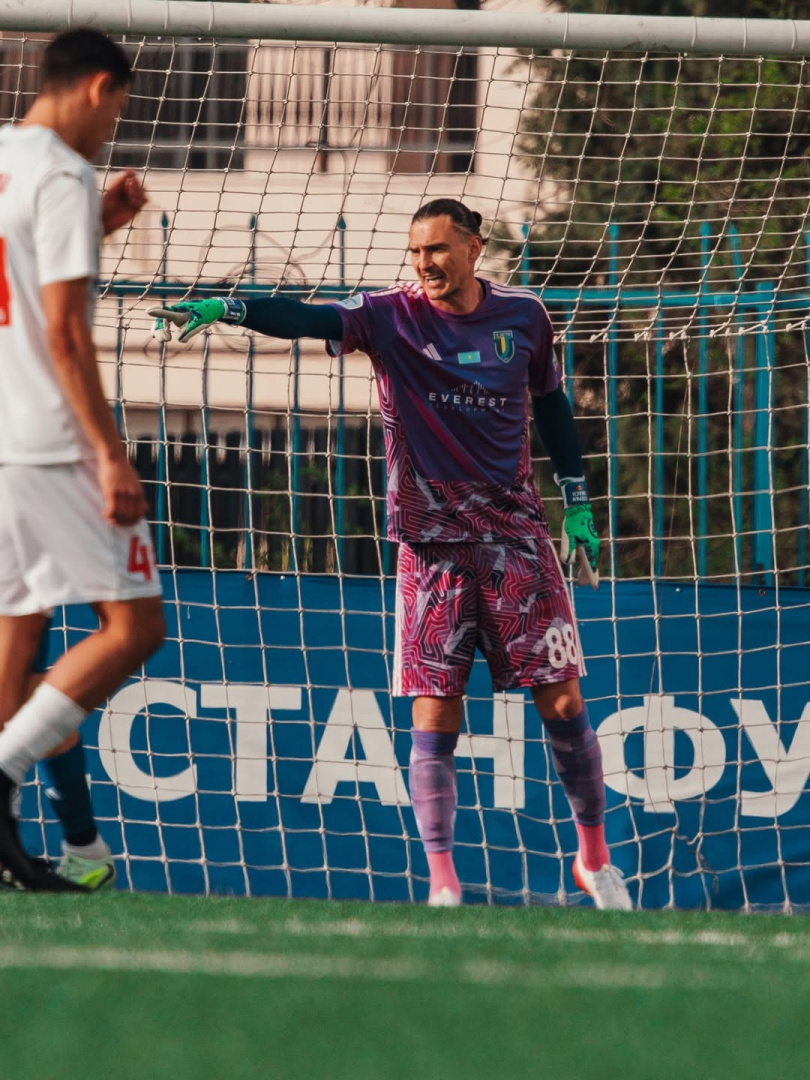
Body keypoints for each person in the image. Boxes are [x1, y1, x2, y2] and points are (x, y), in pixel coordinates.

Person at [150, 198, 632, 911]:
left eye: (437, 249)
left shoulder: (525, 316)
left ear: (473, 248)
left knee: (563, 701)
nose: (424, 264)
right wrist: (229, 308)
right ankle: (444, 883)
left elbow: (554, 404)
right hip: (429, 547)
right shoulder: (388, 315)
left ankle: (593, 859)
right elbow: (308, 318)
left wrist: (578, 499)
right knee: (435, 717)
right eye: (416, 252)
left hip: (516, 540)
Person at [0, 29, 165, 891]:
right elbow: (64, 332)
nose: (111, 131)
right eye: (119, 111)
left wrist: (99, 226)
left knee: (14, 644)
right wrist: (109, 454)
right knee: (135, 627)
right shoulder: (63, 173)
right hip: (51, 440)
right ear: (99, 88)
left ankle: (44, 848)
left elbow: (20, 278)